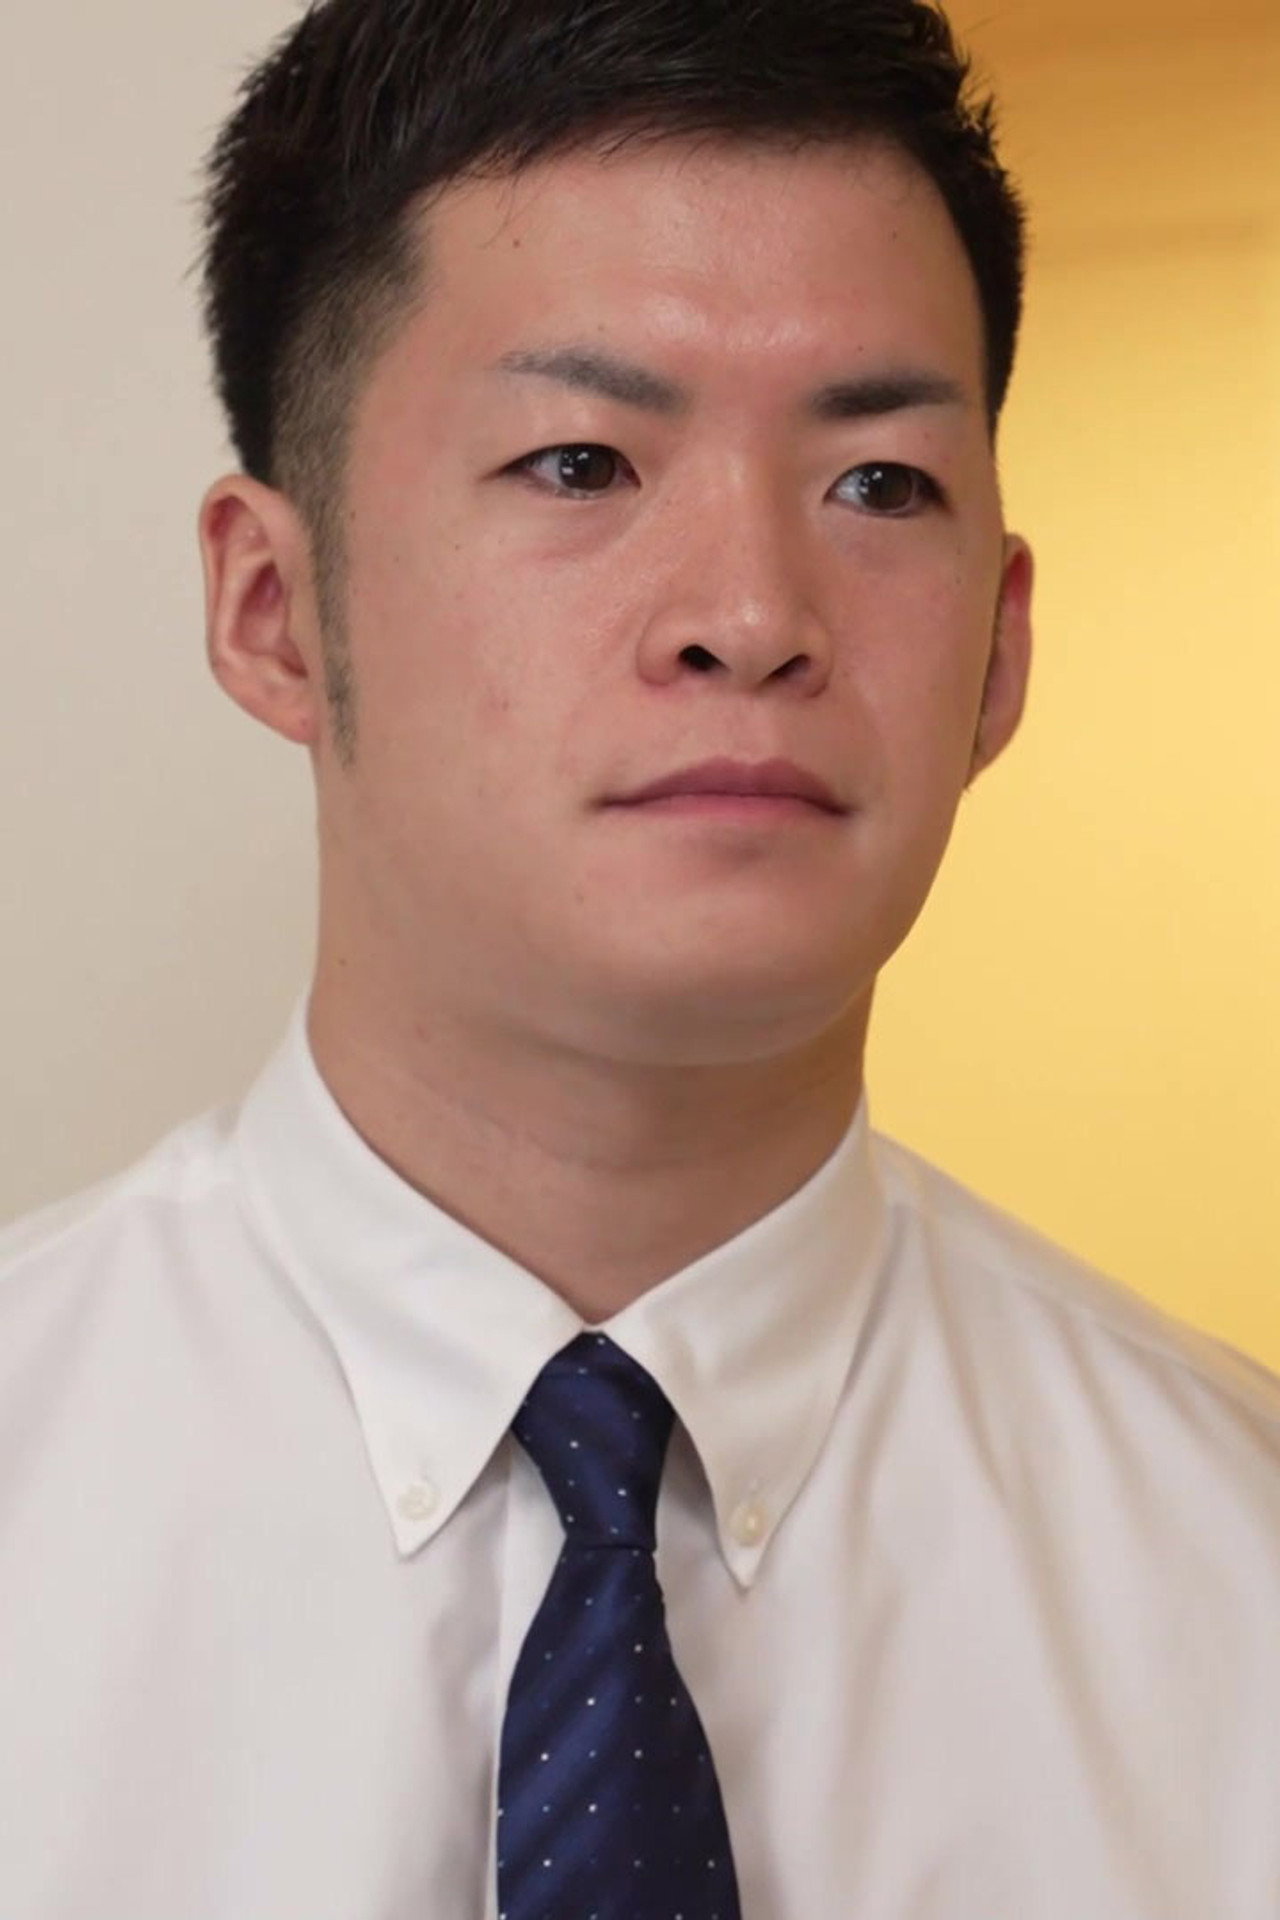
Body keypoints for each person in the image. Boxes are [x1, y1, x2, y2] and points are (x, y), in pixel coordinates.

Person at [2, 0, 1278, 1913]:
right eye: (584, 463)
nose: (753, 616)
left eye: (881, 485)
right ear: (274, 610)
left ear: (1001, 652)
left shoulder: (1240, 1573)